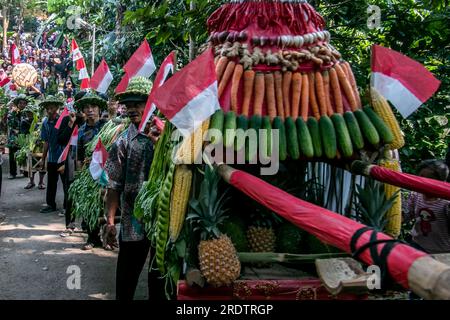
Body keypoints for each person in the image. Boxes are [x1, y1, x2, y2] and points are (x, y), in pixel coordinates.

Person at [103, 77, 165, 300]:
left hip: (163, 216)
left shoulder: (168, 135)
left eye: (138, 103)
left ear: (150, 104)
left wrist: (161, 143)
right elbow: (113, 185)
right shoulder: (123, 142)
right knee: (126, 279)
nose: (131, 109)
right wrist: (110, 221)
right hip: (133, 218)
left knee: (160, 281)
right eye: (128, 104)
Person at [74, 92, 108, 249]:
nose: (90, 110)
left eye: (93, 107)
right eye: (86, 107)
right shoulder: (81, 131)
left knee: (106, 205)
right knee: (91, 204)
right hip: (89, 173)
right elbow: (78, 156)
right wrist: (80, 174)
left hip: (107, 172)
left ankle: (107, 237)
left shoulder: (108, 127)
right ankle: (93, 238)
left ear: (99, 109)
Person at [404, 159, 450, 253]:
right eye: (420, 178)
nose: (422, 183)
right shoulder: (416, 195)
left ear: (442, 182)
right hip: (417, 245)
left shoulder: (446, 201)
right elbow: (406, 215)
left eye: (428, 179)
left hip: (443, 250)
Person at [58, 91, 87, 236]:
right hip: (70, 160)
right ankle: (70, 223)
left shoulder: (90, 121)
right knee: (70, 192)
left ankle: (87, 224)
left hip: (86, 161)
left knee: (87, 191)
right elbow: (60, 140)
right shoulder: (68, 119)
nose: (84, 109)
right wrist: (71, 122)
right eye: (81, 105)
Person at [39, 96, 66, 214]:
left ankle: (67, 207)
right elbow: (46, 141)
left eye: (52, 108)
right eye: (47, 108)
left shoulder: (63, 120)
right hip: (51, 157)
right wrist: (43, 158)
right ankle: (51, 204)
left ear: (57, 108)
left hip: (63, 157)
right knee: (51, 183)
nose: (49, 111)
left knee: (66, 183)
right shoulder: (45, 122)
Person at [20, 103, 46, 189]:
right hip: (30, 145)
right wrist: (30, 141)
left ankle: (41, 182)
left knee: (42, 164)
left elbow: (43, 133)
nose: (29, 114)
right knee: (30, 164)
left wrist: (39, 139)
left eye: (31, 113)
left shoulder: (40, 122)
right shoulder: (24, 122)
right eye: (27, 113)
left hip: (40, 146)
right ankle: (31, 182)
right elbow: (23, 134)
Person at [7, 94, 29, 179]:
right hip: (14, 137)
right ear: (17, 104)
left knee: (24, 154)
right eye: (20, 103)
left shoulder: (27, 112)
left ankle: (25, 171)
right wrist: (13, 113)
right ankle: (13, 173)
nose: (22, 105)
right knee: (12, 155)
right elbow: (10, 123)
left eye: (24, 103)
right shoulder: (12, 112)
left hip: (23, 137)